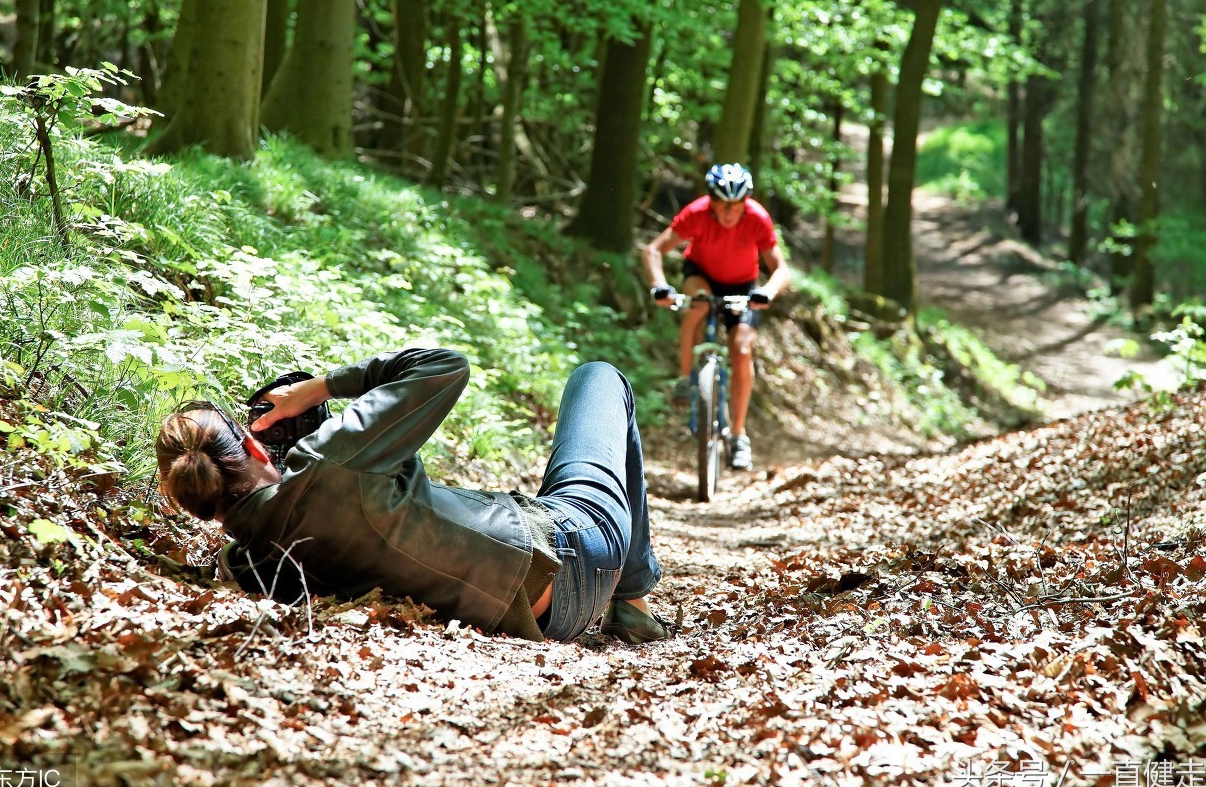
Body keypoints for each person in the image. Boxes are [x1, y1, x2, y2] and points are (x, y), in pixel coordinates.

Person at [154, 348, 672, 644]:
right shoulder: (331, 461)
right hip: (575, 552)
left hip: (535, 618)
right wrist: (319, 389)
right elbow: (445, 367)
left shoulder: (247, 563)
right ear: (252, 444)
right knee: (597, 378)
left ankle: (627, 600)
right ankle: (632, 598)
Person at [641, 162, 789, 471]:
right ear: (712, 200)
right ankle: (684, 378)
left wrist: (768, 292)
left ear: (745, 202)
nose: (729, 211)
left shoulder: (757, 218)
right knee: (699, 302)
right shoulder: (696, 213)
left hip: (744, 285)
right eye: (722, 203)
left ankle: (738, 435)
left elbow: (780, 268)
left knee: (742, 349)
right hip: (702, 275)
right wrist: (659, 286)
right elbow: (653, 250)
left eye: (736, 204)